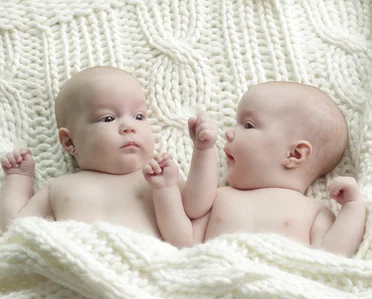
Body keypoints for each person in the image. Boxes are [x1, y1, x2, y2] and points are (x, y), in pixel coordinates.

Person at [144, 81, 366, 257]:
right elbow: (183, 242)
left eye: (248, 125)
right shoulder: (218, 198)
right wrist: (165, 189)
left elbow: (332, 256)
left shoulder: (315, 211)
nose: (229, 133)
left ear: (294, 155)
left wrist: (353, 207)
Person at [0, 66, 160, 237]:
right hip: (77, 258)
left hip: (146, 259)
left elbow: (190, 219)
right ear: (70, 141)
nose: (130, 126)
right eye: (108, 118)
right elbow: (15, 230)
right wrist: (19, 178)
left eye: (139, 116)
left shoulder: (158, 178)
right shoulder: (58, 187)